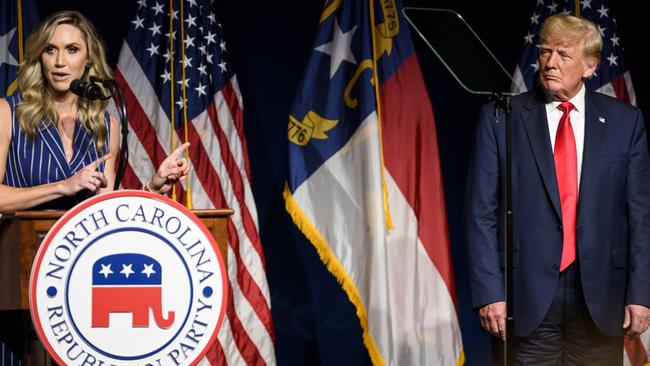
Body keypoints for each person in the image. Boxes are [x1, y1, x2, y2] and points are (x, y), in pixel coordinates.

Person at [465, 14, 650, 364]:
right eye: (546, 51)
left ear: (590, 66)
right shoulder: (500, 118)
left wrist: (641, 294)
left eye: (564, 55)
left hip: (601, 298)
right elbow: (480, 213)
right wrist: (489, 292)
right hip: (525, 297)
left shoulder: (626, 123)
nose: (550, 63)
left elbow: (640, 215)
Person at [0, 10, 189, 214]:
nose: (60, 61)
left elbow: (105, 208)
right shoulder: (8, 112)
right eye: (51, 50)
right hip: (25, 244)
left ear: (88, 58)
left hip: (82, 246)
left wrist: (153, 186)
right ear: (41, 56)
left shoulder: (105, 125)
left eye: (72, 49)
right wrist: (62, 187)